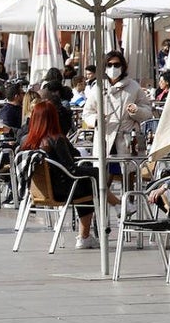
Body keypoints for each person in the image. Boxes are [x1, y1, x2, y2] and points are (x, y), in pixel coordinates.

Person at [20, 101, 121, 249]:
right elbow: (71, 169)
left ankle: (115, 206)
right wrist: (94, 172)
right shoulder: (56, 139)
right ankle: (113, 209)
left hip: (39, 192)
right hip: (61, 192)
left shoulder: (26, 141)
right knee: (91, 180)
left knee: (87, 180)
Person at [82, 50, 153, 156]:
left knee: (127, 170)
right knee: (104, 170)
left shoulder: (134, 86)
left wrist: (136, 110)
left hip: (126, 138)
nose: (113, 68)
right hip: (104, 137)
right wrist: (96, 120)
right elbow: (87, 112)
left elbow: (148, 111)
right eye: (109, 65)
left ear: (123, 66)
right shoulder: (98, 87)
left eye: (116, 65)